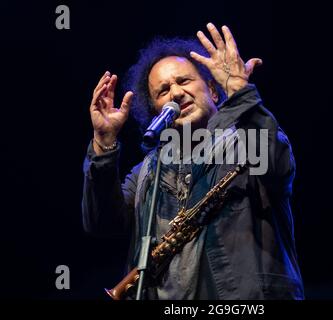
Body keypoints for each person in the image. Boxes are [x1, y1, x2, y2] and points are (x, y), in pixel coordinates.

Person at [82, 23, 304, 300]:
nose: (175, 93)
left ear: (212, 90)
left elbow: (278, 164)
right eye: (162, 91)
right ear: (155, 112)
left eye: (184, 81)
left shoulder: (246, 141)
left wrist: (240, 93)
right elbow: (103, 225)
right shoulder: (148, 171)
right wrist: (103, 146)